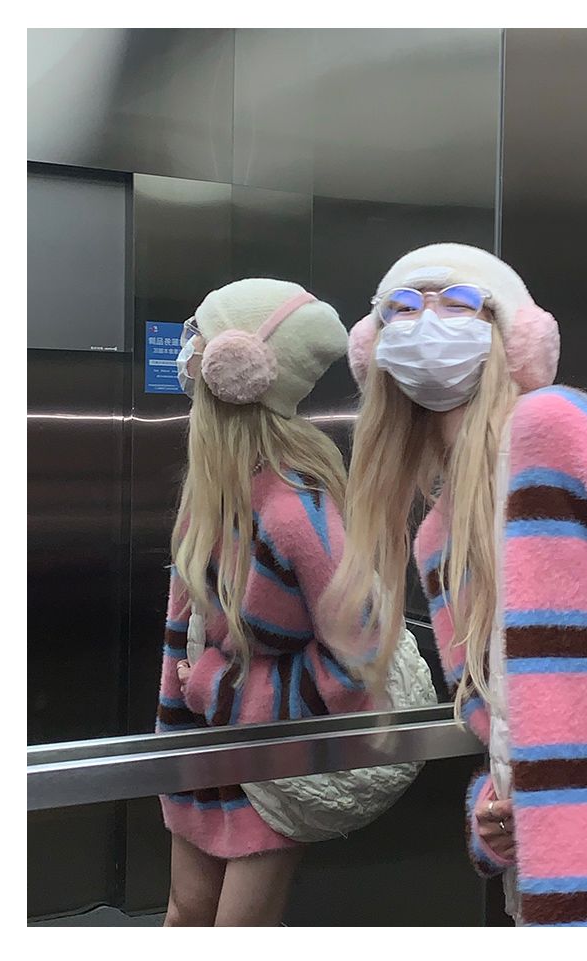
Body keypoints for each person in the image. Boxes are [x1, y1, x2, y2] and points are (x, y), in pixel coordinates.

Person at [324, 243, 587, 927]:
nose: (428, 321)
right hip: (554, 883)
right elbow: (501, 719)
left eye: (459, 302)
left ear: (514, 336)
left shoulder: (555, 426)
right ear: (373, 346)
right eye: (403, 308)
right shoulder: (437, 539)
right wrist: (493, 813)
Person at [157, 278, 375, 926]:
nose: (186, 347)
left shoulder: (293, 509)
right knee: (186, 912)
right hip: (199, 752)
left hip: (267, 763)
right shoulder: (212, 493)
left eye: (198, 333)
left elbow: (357, 661)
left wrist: (220, 690)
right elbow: (185, 636)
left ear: (232, 367)